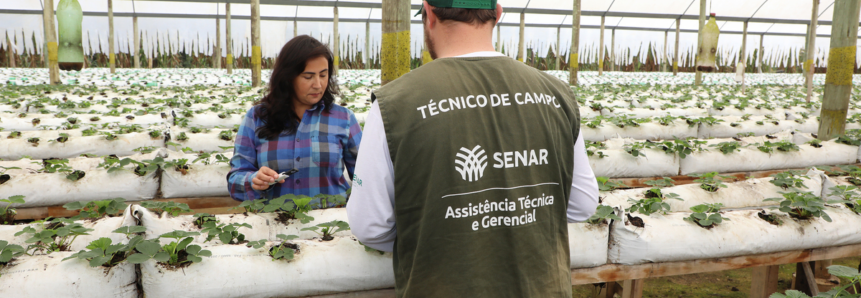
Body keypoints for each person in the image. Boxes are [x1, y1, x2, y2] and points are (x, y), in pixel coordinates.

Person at [346, 1, 599, 297]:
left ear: (429, 14)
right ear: (498, 13)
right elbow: (582, 204)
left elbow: (370, 226)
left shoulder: (395, 103)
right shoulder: (557, 94)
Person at [227, 35, 362, 207]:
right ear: (288, 77)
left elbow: (366, 177)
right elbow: (235, 179)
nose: (318, 85)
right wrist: (253, 180)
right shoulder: (257, 118)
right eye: (308, 77)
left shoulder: (343, 119)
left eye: (323, 75)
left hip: (331, 225)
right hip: (274, 226)